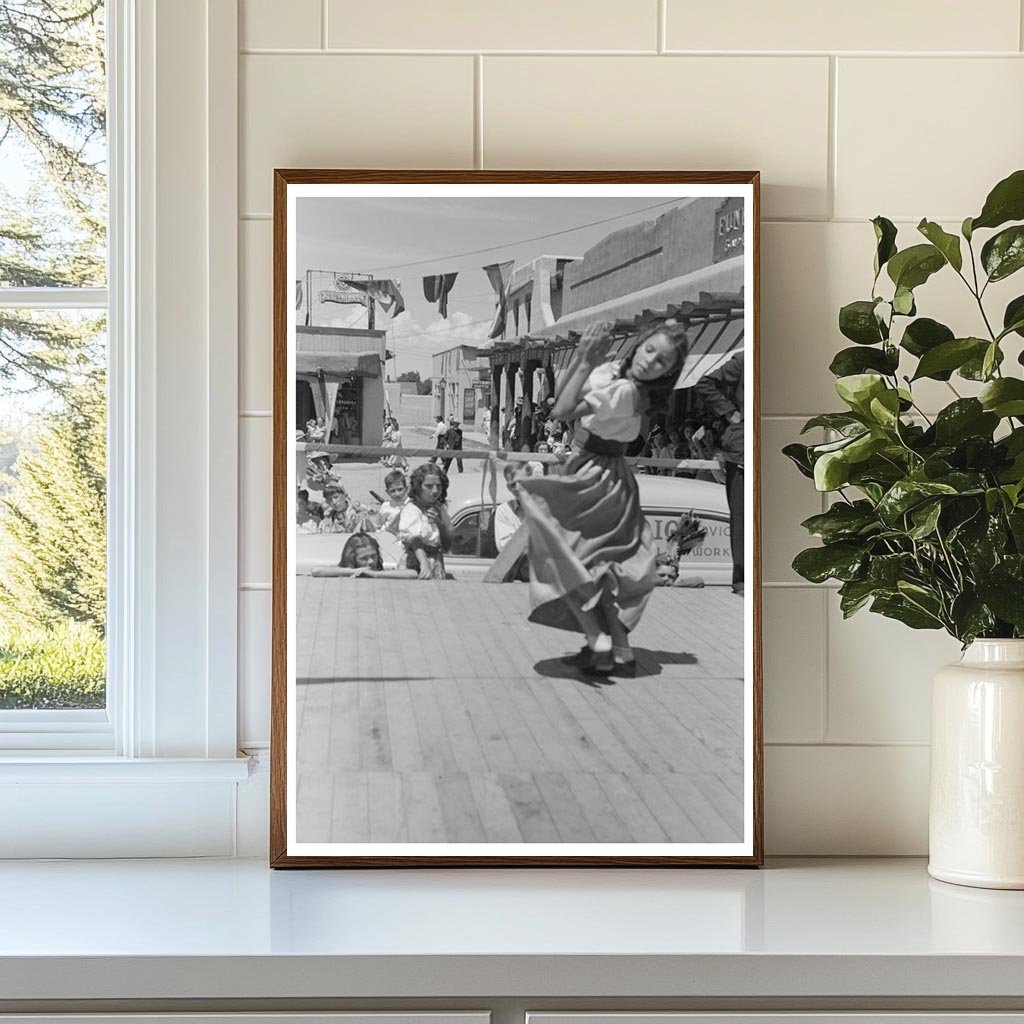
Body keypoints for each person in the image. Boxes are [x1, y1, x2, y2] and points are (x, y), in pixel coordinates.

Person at [515, 319, 689, 676]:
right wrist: (584, 359)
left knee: (564, 556)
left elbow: (561, 412)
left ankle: (599, 639)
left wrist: (583, 361)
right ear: (639, 345)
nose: (650, 361)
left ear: (669, 372)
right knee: (596, 565)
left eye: (662, 362)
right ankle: (619, 648)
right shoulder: (621, 379)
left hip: (593, 474)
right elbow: (560, 396)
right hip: (608, 474)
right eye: (650, 350)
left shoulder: (625, 390)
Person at [695, 351, 744, 594]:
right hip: (741, 451)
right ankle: (741, 579)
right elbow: (704, 383)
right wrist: (728, 411)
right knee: (741, 517)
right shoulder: (744, 359)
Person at [398, 463, 452, 580]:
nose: (435, 490)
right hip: (416, 562)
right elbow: (414, 539)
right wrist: (424, 563)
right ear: (418, 487)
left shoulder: (441, 509)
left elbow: (447, 546)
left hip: (436, 561)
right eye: (429, 486)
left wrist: (440, 523)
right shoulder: (412, 509)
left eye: (438, 486)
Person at [378, 469, 409, 536]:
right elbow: (380, 524)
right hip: (389, 537)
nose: (397, 494)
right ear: (387, 492)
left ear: (406, 489)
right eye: (393, 491)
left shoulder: (410, 504)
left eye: (400, 489)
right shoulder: (385, 507)